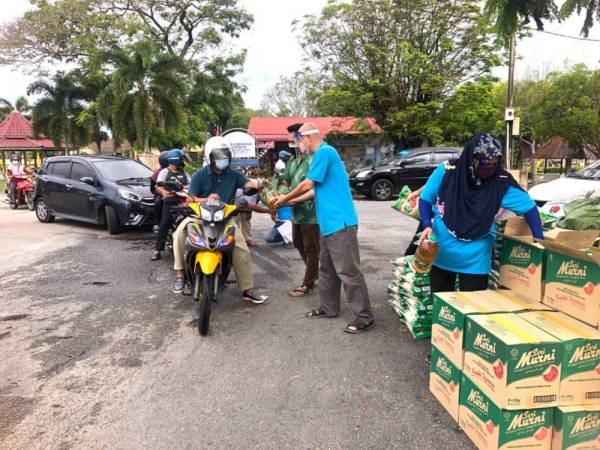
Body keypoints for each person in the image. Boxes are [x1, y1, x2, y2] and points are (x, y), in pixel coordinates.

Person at [274, 123, 374, 334]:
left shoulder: (324, 152)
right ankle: (329, 307)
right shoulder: (323, 155)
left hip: (341, 223)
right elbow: (313, 192)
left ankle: (364, 316)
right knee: (327, 269)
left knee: (348, 271)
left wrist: (285, 197)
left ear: (307, 138)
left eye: (299, 141)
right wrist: (290, 202)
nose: (300, 146)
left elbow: (307, 185)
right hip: (328, 225)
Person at [418, 133, 544, 293]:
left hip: (475, 259)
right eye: (484, 163)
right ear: (472, 159)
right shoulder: (447, 171)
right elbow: (425, 199)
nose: (489, 168)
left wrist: (539, 240)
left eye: (494, 163)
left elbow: (529, 208)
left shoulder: (500, 183)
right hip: (443, 253)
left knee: (471, 310)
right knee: (441, 309)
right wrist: (427, 224)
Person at [171, 137, 268, 304]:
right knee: (179, 234)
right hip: (199, 218)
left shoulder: (234, 174)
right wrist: (206, 199)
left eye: (225, 156)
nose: (222, 160)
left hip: (224, 220)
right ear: (210, 157)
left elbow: (246, 184)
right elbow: (190, 199)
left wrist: (256, 185)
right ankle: (179, 273)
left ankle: (247, 289)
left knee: (242, 249)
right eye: (218, 156)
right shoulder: (199, 175)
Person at [279, 122, 320, 297]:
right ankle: (314, 272)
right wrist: (278, 196)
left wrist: (286, 199)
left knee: (311, 248)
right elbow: (285, 182)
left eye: (294, 140)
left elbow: (308, 186)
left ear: (302, 138)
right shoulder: (293, 161)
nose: (292, 144)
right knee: (297, 243)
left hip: (312, 213)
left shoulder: (313, 159)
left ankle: (308, 283)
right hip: (296, 212)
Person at [151, 149, 190, 261]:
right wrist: (164, 192)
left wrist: (185, 188)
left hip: (183, 201)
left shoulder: (184, 173)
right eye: (182, 159)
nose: (183, 161)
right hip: (170, 201)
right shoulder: (164, 172)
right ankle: (157, 250)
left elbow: (190, 184)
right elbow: (157, 186)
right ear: (176, 160)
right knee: (164, 224)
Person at [150, 151, 170, 233]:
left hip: (177, 192)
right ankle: (158, 223)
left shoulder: (179, 170)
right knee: (158, 202)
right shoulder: (157, 173)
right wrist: (161, 192)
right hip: (162, 194)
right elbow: (152, 189)